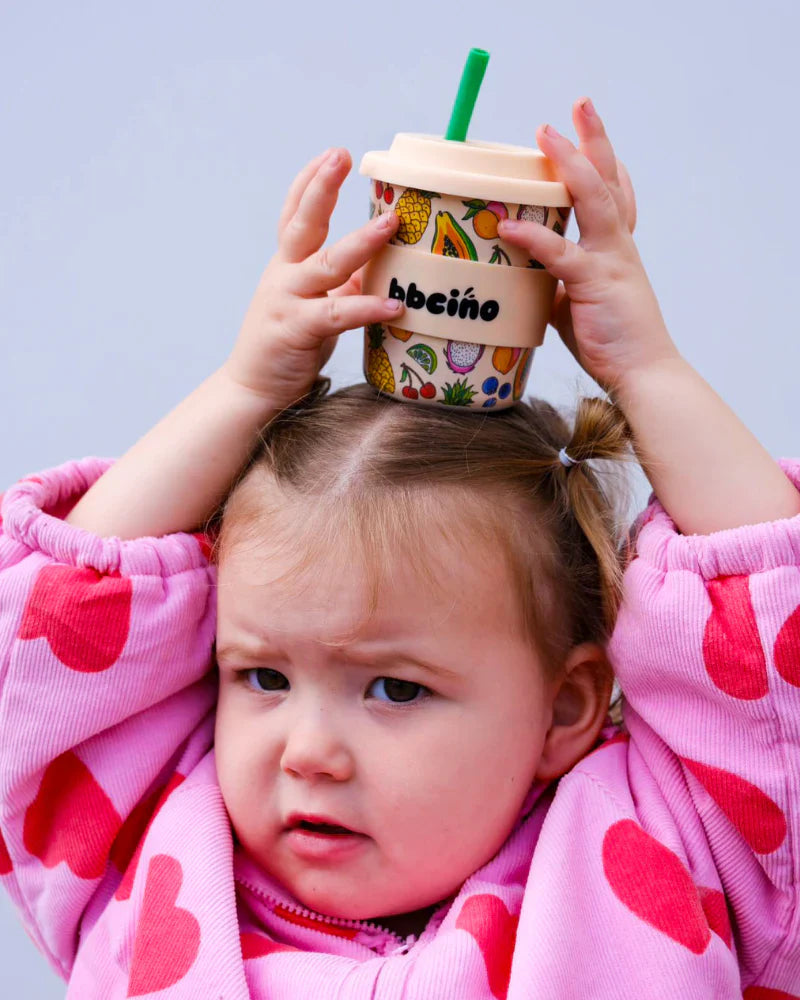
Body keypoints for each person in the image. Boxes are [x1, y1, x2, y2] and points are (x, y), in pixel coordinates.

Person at [0, 97, 798, 999]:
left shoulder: (659, 854)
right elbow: (48, 647)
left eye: (394, 688)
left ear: (566, 707)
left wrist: (648, 372)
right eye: (262, 677)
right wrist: (241, 388)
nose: (306, 752)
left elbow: (773, 673)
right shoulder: (146, 849)